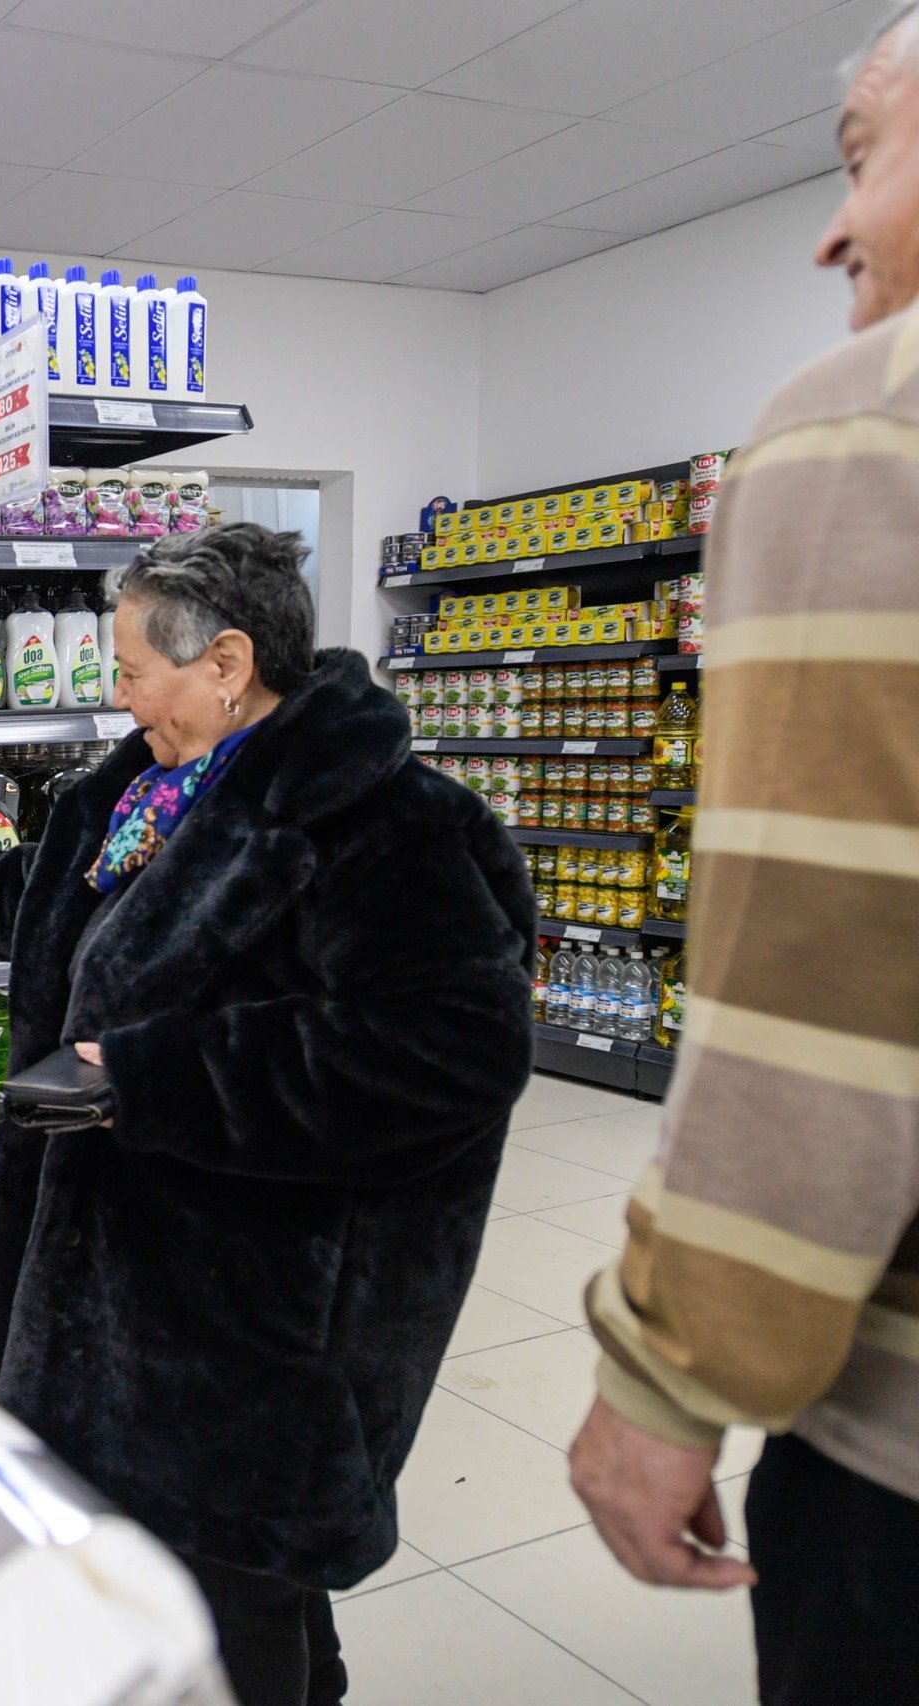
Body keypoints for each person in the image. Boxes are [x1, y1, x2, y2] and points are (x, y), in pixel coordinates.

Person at [0, 523, 534, 1706]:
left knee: (225, 1592)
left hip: (254, 1314)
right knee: (206, 1584)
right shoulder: (153, 788)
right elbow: (57, 906)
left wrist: (158, 1077)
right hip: (123, 1295)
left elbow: (450, 1049)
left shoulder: (387, 822)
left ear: (225, 663)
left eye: (130, 669)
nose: (117, 693)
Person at [568, 8, 919, 1698]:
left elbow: (820, 977)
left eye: (864, 160)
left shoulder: (867, 428)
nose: (831, 232)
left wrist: (668, 1373)